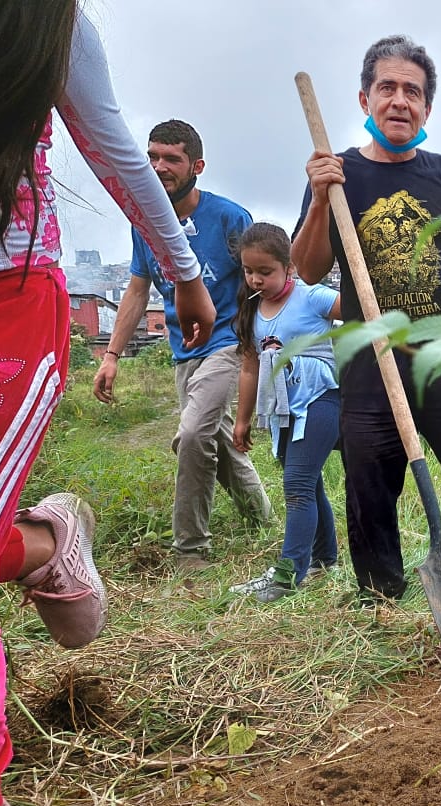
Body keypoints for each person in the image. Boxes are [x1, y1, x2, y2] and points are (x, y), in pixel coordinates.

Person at [0, 3, 215, 806]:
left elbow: (113, 154)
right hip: (144, 330)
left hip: (4, 301)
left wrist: (187, 276)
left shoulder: (48, 22)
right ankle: (44, 544)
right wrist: (119, 347)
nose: (164, 163)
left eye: (175, 158)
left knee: (202, 438)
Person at [292, 35, 441, 616]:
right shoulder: (336, 174)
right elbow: (309, 266)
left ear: (427, 108)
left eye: (413, 91)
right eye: (388, 88)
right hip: (370, 364)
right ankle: (381, 599)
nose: (401, 100)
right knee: (369, 485)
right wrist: (321, 199)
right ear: (365, 97)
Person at [93, 120, 273, 571]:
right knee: (214, 439)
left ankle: (191, 549)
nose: (159, 167)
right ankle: (263, 520)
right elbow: (136, 292)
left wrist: (257, 343)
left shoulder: (230, 218)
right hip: (183, 352)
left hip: (229, 344)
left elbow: (258, 282)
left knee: (192, 434)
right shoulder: (145, 223)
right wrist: (111, 356)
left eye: (171, 159)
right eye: (152, 157)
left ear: (197, 166)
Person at [228, 223, 342, 603]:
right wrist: (242, 420)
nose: (256, 279)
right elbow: (249, 367)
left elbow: (360, 308)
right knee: (309, 484)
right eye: (249, 271)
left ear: (288, 267)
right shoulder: (252, 309)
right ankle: (325, 560)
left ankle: (287, 575)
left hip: (321, 400)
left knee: (296, 486)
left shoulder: (312, 298)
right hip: (283, 410)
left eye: (265, 272)